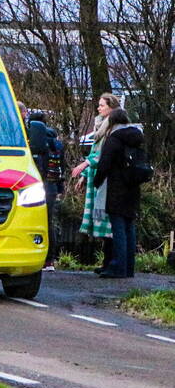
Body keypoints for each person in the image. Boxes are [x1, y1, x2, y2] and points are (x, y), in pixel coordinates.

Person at [72, 93, 121, 272]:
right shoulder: (100, 126)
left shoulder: (112, 128)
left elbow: (101, 154)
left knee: (108, 222)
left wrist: (85, 164)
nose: (99, 108)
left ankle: (111, 262)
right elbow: (94, 150)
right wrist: (85, 175)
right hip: (95, 176)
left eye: (102, 105)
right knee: (103, 222)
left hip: (106, 180)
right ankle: (106, 262)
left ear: (111, 107)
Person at [93, 109, 144, 278]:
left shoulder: (114, 139)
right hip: (133, 187)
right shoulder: (137, 137)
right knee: (129, 227)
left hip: (116, 188)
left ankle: (118, 267)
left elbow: (104, 164)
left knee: (118, 229)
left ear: (112, 122)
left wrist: (97, 181)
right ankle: (129, 267)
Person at [27, 110, 65, 272]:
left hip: (40, 185)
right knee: (49, 221)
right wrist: (60, 188)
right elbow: (61, 167)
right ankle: (50, 260)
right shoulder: (58, 143)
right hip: (53, 186)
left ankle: (41, 257)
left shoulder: (34, 143)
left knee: (38, 221)